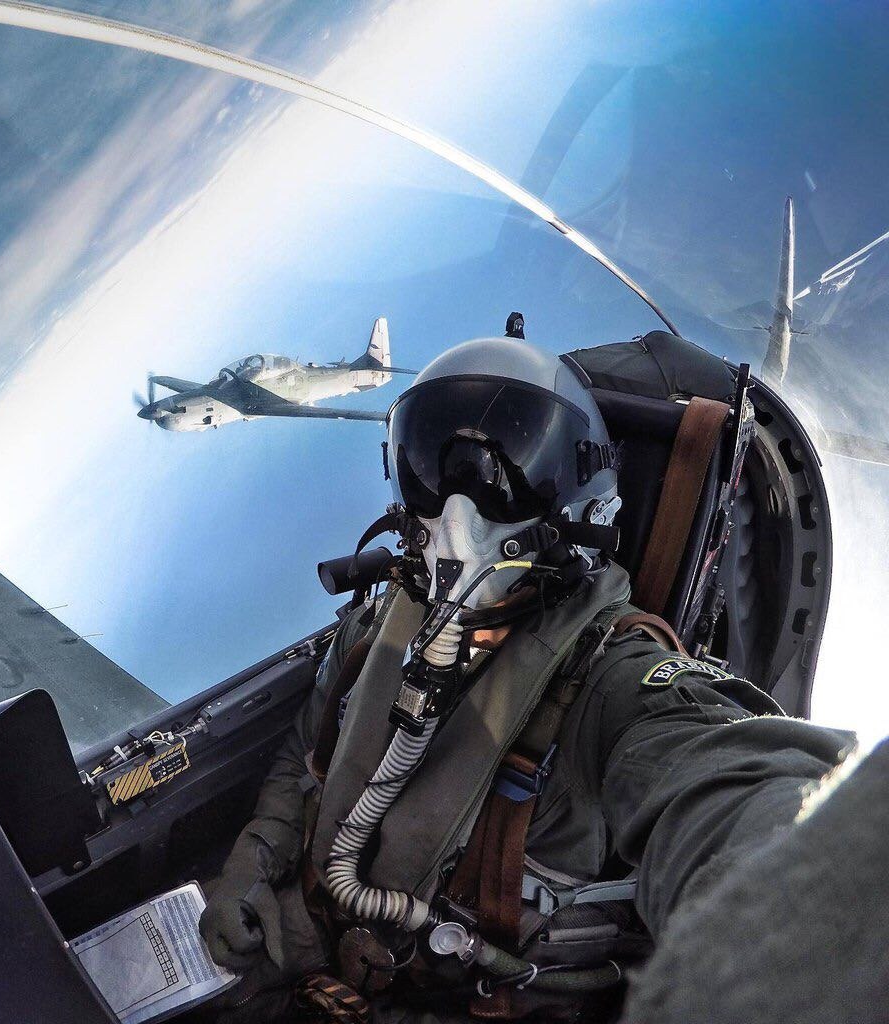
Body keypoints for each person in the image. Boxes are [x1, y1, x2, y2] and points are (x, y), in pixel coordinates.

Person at [198, 337, 852, 1023]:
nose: (459, 515)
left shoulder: (614, 679)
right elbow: (306, 756)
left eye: (499, 479)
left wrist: (826, 894)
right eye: (435, 470)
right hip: (303, 943)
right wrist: (252, 860)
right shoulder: (377, 627)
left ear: (582, 501)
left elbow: (732, 785)